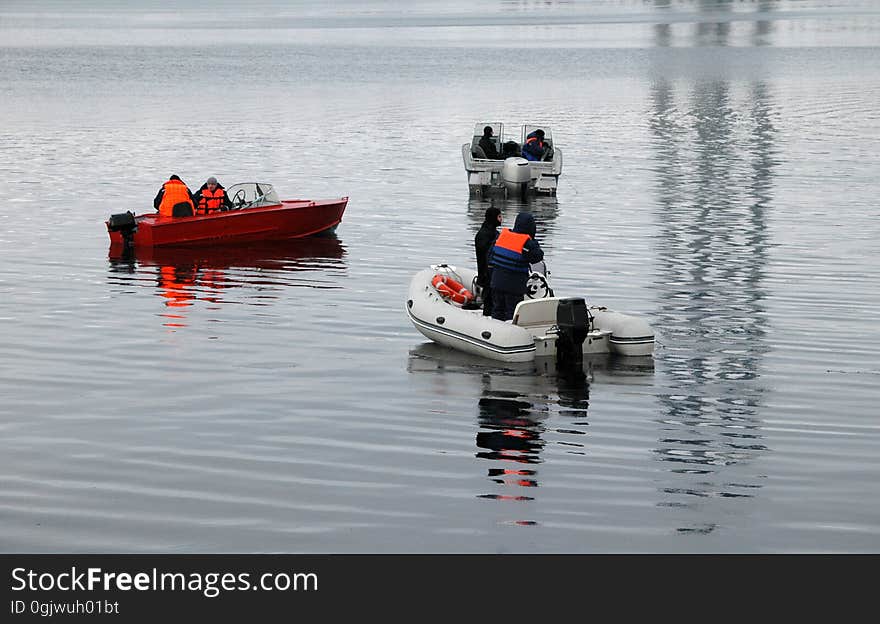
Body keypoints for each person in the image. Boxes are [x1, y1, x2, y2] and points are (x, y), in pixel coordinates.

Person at [488, 211, 543, 321]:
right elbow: (538, 257)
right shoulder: (527, 243)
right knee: (511, 313)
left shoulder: (501, 237)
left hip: (496, 283)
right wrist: (534, 242)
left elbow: (490, 257)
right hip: (514, 287)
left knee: (497, 310)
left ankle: (494, 331)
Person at [474, 206, 503, 317]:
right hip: (487, 275)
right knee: (489, 300)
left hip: (490, 274)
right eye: (499, 217)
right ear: (494, 218)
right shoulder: (485, 235)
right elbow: (486, 256)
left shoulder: (492, 233)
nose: (501, 219)